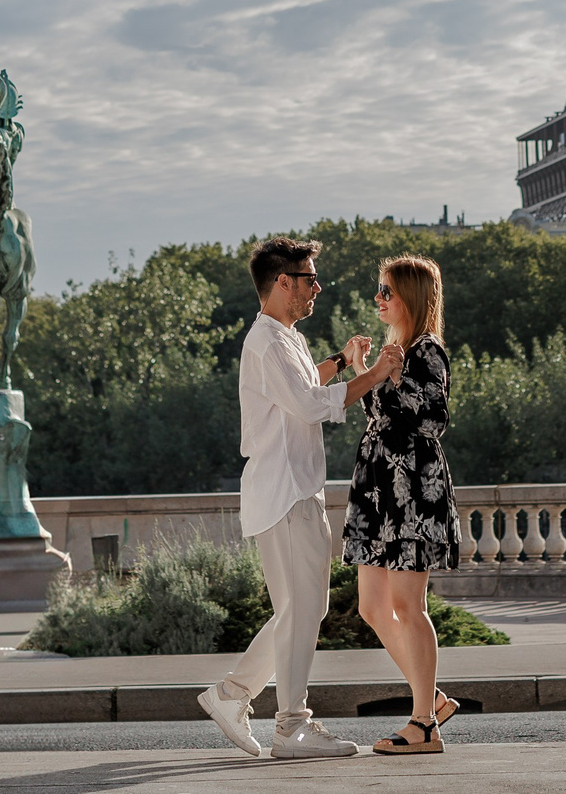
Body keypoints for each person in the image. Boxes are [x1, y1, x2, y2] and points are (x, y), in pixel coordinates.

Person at [199, 237, 403, 760]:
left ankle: (233, 696)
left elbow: (306, 382)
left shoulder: (282, 336)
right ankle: (290, 726)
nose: (317, 287)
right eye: (310, 278)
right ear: (282, 282)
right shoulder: (266, 341)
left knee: (299, 611)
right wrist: (375, 373)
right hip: (286, 491)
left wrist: (341, 360)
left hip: (293, 490)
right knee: (301, 610)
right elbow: (311, 405)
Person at [343, 254, 459, 756]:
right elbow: (375, 412)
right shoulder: (397, 349)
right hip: (378, 492)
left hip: (412, 491)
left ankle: (423, 726)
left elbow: (432, 419)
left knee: (409, 607)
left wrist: (387, 374)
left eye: (386, 291)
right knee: (372, 607)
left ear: (409, 296)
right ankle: (430, 699)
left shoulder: (427, 350)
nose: (378, 299)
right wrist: (364, 369)